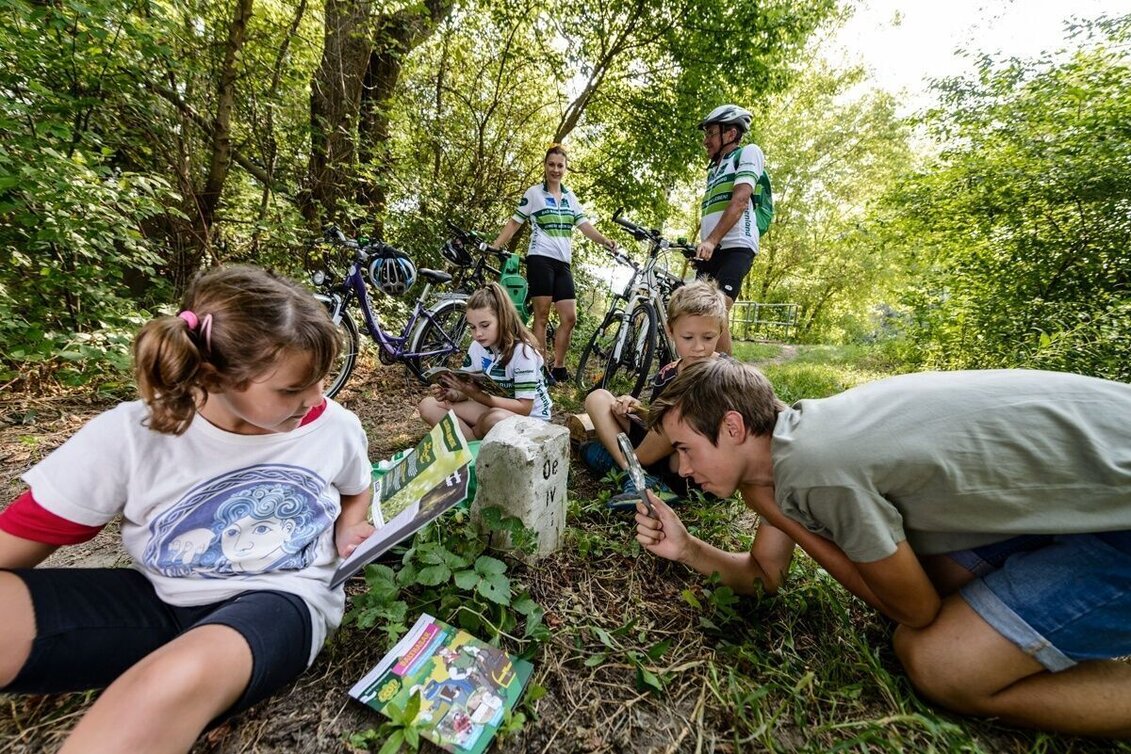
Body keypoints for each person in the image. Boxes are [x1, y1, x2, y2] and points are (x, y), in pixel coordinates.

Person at [634, 359, 1131, 736]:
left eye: (684, 449)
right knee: (934, 588)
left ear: (734, 427)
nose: (680, 470)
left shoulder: (816, 469)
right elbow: (766, 575)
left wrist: (790, 519)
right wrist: (688, 549)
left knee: (938, 662)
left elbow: (914, 609)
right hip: (1091, 491)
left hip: (1117, 512)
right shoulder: (798, 440)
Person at [0, 265, 376, 754]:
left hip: (280, 597)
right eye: (290, 389)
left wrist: (350, 529)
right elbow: (21, 539)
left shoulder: (335, 428)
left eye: (321, 379)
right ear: (212, 374)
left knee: (160, 690)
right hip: (159, 598)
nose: (315, 398)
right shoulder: (132, 435)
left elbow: (357, 488)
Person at [579, 280, 728, 507]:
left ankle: (623, 466)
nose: (698, 347)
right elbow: (655, 421)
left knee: (676, 419)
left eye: (708, 338)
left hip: (688, 468)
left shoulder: (726, 373)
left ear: (720, 330)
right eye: (688, 338)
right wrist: (633, 407)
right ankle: (638, 477)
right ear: (670, 331)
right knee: (598, 398)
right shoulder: (668, 373)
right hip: (657, 450)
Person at [491, 143, 619, 384]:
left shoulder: (570, 197)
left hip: (563, 263)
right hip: (540, 258)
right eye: (551, 164)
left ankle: (558, 365)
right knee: (541, 315)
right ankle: (539, 369)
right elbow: (514, 222)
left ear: (565, 168)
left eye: (560, 165)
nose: (556, 169)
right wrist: (495, 246)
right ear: (545, 166)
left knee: (569, 317)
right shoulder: (534, 193)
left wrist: (604, 240)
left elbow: (583, 226)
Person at [418, 282, 552, 441]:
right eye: (472, 327)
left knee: (494, 419)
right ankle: (475, 443)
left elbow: (524, 408)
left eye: (485, 325)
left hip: (531, 422)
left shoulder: (523, 353)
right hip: (492, 409)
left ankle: (472, 438)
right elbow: (466, 392)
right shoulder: (477, 347)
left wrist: (477, 395)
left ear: (503, 319)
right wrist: (452, 393)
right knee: (428, 405)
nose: (478, 334)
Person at [694, 104, 766, 356]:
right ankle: (702, 373)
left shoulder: (748, 153)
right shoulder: (714, 169)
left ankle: (727, 380)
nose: (706, 141)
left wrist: (712, 240)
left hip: (737, 245)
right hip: (712, 250)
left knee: (716, 311)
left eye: (711, 133)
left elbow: (740, 200)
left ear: (731, 133)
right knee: (695, 314)